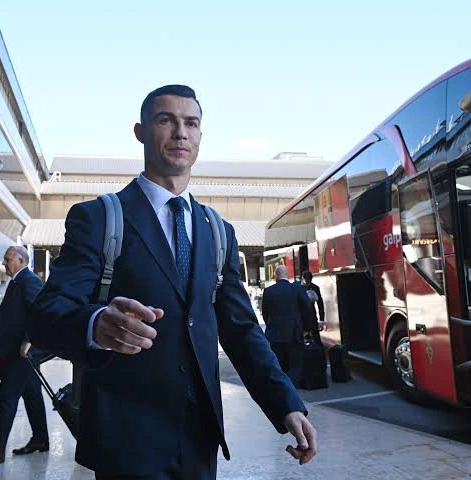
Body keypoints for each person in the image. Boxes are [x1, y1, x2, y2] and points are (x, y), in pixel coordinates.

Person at [30, 85, 317, 479]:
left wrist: (286, 404)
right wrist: (96, 324)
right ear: (140, 131)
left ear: (200, 135)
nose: (181, 132)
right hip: (126, 441)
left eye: (191, 123)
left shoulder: (218, 231)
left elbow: (241, 330)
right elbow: (46, 314)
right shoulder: (99, 218)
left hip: (199, 441)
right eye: (166, 120)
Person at [0, 246, 49, 466]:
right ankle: (40, 440)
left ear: (21, 261)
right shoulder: (16, 282)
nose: (4, 263)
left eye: (7, 259)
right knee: (32, 395)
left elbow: (40, 312)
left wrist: (29, 339)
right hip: (13, 352)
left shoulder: (29, 281)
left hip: (21, 354)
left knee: (7, 397)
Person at [262, 265, 316, 386]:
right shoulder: (298, 289)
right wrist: (307, 328)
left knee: (279, 365)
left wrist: (271, 326)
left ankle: (282, 387)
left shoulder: (268, 291)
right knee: (295, 365)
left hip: (274, 336)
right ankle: (289, 388)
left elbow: (265, 313)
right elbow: (307, 309)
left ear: (275, 276)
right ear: (288, 275)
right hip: (294, 334)